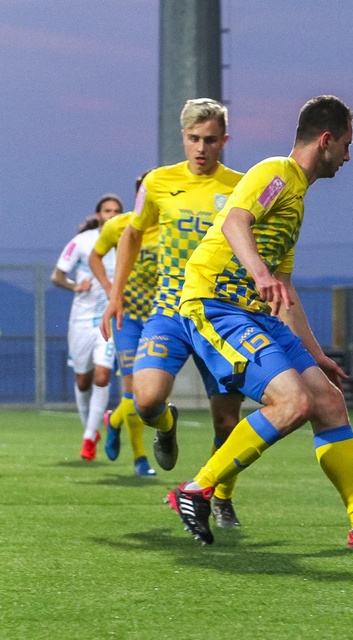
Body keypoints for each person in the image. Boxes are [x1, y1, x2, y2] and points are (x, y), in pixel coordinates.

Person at [171, 95, 353, 548]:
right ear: (326, 140)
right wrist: (260, 274)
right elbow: (234, 223)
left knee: (328, 402)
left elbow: (284, 290)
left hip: (254, 314)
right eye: (346, 144)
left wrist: (316, 354)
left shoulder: (296, 196)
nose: (348, 156)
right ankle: (197, 490)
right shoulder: (276, 173)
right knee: (292, 403)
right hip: (215, 304)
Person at [101, 98, 246, 528]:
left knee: (228, 422)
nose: (202, 148)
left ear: (224, 141)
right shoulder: (160, 182)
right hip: (169, 311)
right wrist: (115, 294)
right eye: (194, 139)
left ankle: (221, 496)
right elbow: (131, 234)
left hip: (220, 315)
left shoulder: (241, 187)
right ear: (183, 137)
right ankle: (167, 425)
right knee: (146, 401)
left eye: (211, 140)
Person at [88, 171, 158, 477]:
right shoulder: (119, 225)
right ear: (139, 196)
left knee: (152, 395)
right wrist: (110, 289)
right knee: (133, 390)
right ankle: (141, 458)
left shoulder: (172, 227)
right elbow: (95, 257)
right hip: (126, 318)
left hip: (159, 319)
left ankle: (114, 420)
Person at [53, 195, 122, 460]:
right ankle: (90, 430)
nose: (112, 215)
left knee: (102, 376)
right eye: (107, 210)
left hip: (109, 318)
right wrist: (75, 286)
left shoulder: (127, 239)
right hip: (81, 319)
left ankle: (88, 439)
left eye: (116, 211)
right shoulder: (82, 242)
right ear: (98, 215)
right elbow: (57, 276)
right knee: (83, 381)